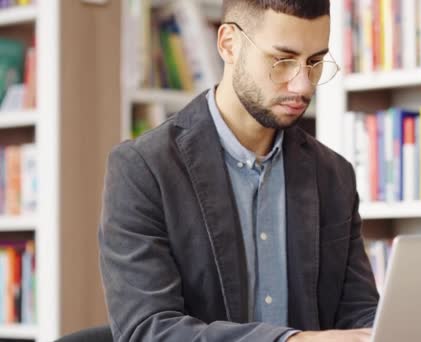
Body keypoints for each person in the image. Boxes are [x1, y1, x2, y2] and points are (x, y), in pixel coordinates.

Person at [98, 0, 379, 341]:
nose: (303, 85)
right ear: (229, 44)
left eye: (315, 62)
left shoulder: (334, 175)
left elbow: (359, 313)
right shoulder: (143, 170)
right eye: (283, 60)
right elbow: (147, 330)